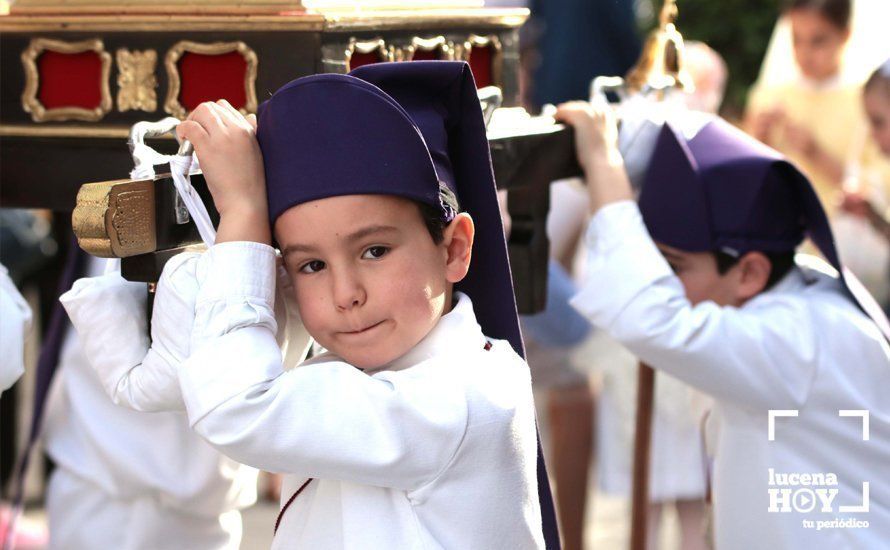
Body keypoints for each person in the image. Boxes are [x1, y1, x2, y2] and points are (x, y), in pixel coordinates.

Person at [64, 61, 558, 549]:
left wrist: (244, 212)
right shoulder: (401, 367)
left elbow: (234, 407)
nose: (346, 295)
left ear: (453, 248)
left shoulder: (461, 400)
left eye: (375, 251)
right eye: (312, 266)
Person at [557, 99, 890, 549]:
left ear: (750, 272)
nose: (662, 283)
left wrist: (602, 158)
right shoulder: (798, 299)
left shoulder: (797, 335)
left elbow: (653, 319)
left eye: (672, 267)